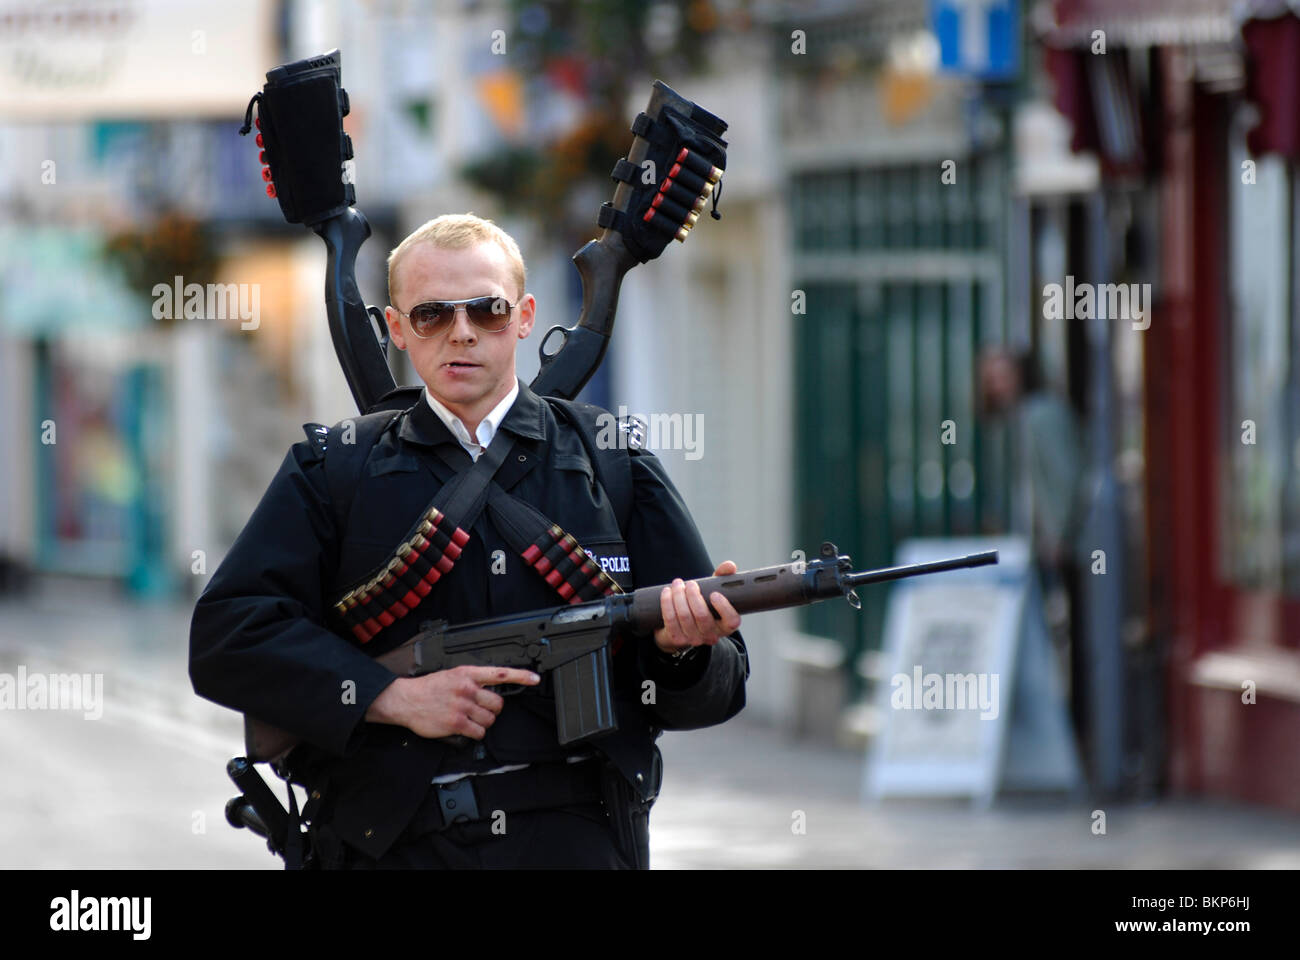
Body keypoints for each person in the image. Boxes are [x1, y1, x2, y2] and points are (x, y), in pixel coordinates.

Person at [189, 214, 748, 869]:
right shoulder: (335, 469)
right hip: (395, 845)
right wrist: (388, 697)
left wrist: (682, 655)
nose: (461, 332)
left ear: (525, 315)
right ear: (397, 329)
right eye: (431, 315)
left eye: (486, 309)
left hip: (578, 843)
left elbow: (723, 685)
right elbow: (228, 637)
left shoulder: (610, 459)